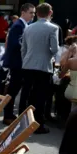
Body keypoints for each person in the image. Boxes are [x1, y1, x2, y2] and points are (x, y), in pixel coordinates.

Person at [20, 3, 59, 134]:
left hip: (28, 65)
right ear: (50, 13)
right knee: (41, 97)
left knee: (28, 95)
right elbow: (55, 49)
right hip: (43, 66)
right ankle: (38, 125)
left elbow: (23, 49)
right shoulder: (53, 28)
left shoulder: (28, 28)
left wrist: (26, 60)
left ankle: (24, 123)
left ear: (37, 13)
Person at [2, 3, 35, 125]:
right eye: (31, 12)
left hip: (21, 63)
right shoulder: (18, 26)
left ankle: (10, 114)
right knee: (12, 90)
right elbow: (15, 44)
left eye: (34, 13)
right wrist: (30, 47)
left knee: (15, 90)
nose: (33, 15)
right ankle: (7, 115)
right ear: (23, 12)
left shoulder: (26, 25)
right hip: (16, 64)